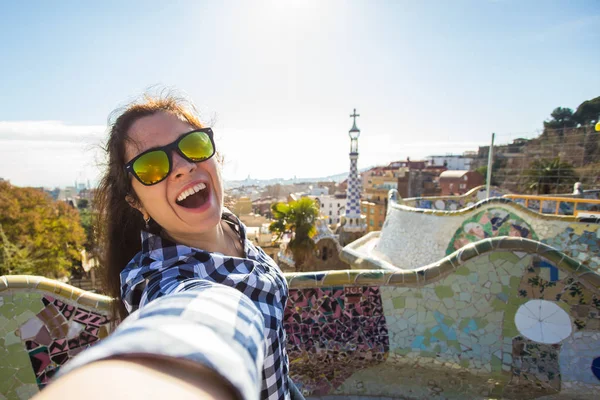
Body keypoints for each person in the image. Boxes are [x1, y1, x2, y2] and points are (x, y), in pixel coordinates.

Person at [36, 93, 302, 400]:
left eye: (193, 145)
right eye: (150, 166)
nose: (183, 166)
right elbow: (197, 315)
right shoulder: (160, 277)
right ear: (136, 202)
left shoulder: (231, 225)